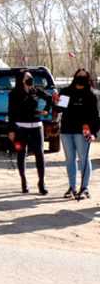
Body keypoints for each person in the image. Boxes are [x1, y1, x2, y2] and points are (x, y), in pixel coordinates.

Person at [54, 68, 99, 200]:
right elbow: (59, 109)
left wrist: (94, 134)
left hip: (83, 132)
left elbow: (96, 117)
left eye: (84, 76)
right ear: (75, 76)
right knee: (70, 160)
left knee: (84, 160)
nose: (81, 78)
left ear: (88, 79)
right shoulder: (66, 92)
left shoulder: (91, 95)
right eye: (79, 75)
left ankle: (84, 188)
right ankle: (72, 188)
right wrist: (55, 102)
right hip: (66, 131)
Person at [8, 69, 53, 195]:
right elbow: (11, 112)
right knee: (22, 153)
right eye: (26, 76)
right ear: (21, 79)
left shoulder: (36, 90)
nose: (29, 78)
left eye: (30, 76)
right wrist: (11, 130)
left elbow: (49, 98)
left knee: (40, 153)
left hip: (37, 126)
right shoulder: (14, 94)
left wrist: (45, 110)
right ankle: (24, 180)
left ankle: (41, 182)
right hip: (21, 127)